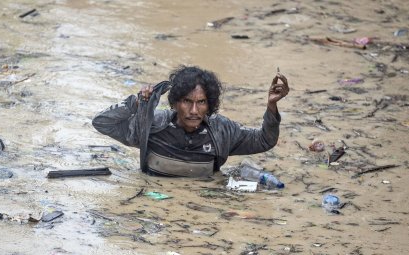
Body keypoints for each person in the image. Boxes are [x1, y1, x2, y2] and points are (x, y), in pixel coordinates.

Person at [92, 65, 289, 177]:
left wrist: (272, 106)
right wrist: (135, 103)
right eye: (187, 101)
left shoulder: (222, 131)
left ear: (209, 104)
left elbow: (265, 140)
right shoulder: (152, 125)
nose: (194, 111)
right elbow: (101, 122)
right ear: (175, 102)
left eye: (201, 102)